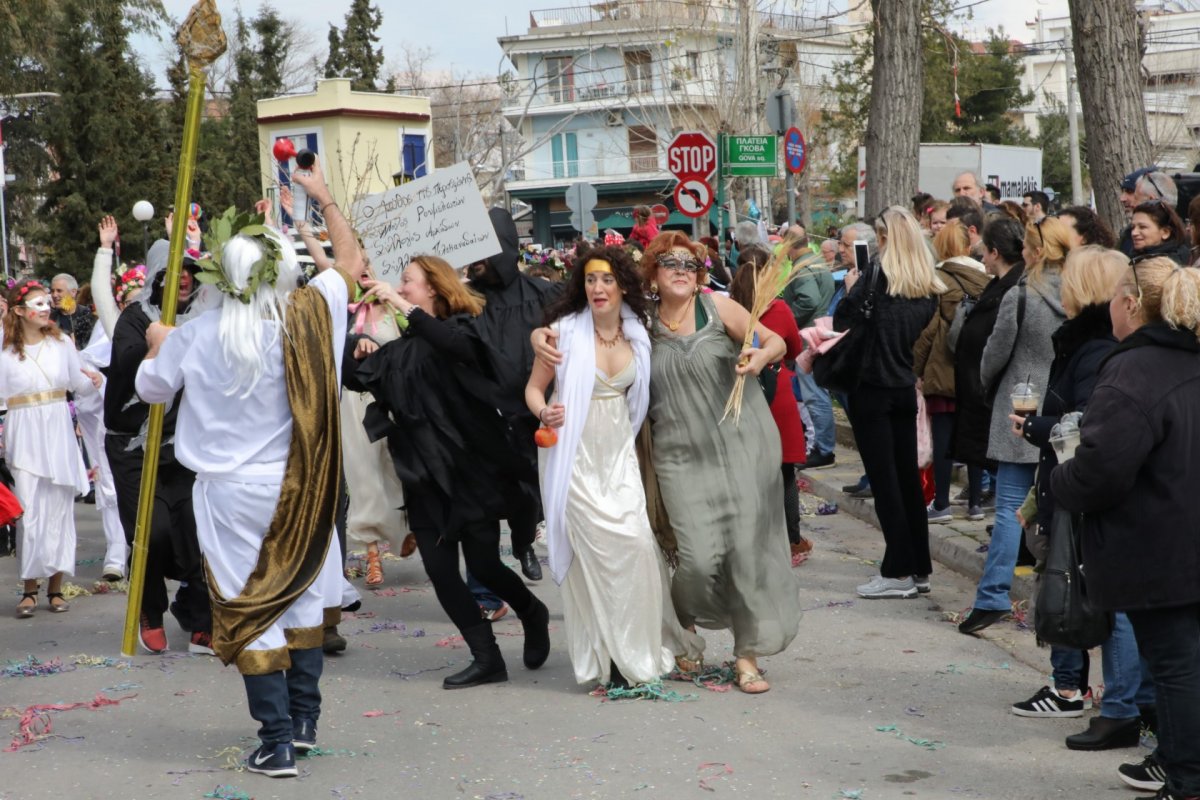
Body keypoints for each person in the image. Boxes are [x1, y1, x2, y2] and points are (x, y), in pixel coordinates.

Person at [135, 165, 357, 778]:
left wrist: (159, 339)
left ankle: (278, 740)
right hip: (299, 487)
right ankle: (304, 723)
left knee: (248, 605)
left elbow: (151, 390)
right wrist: (323, 199)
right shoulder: (310, 316)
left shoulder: (195, 334)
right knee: (303, 597)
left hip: (228, 494)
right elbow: (352, 263)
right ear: (284, 272)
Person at [533, 231, 800, 693]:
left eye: (691, 264)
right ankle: (684, 627)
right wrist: (541, 335)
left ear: (700, 275)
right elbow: (587, 322)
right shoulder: (642, 323)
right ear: (653, 273)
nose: (682, 269)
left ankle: (746, 656)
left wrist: (761, 356)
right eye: (671, 262)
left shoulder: (722, 308)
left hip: (743, 450)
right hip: (677, 456)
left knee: (745, 556)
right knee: (695, 559)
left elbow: (775, 340)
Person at [354, 254, 551, 690]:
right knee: (442, 573)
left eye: (408, 281)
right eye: (400, 283)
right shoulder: (401, 347)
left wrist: (404, 308)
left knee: (483, 564)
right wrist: (359, 342)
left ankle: (531, 611)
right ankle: (487, 658)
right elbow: (356, 378)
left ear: (434, 290)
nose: (400, 287)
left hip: (469, 472)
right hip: (424, 477)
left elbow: (456, 348)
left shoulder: (464, 329)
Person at [1051, 257, 1200, 798]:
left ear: (1131, 304)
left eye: (1115, 296)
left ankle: (1186, 780)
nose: (1108, 305)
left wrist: (1060, 482)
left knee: (1176, 667)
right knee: (1181, 665)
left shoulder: (1134, 369)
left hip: (1161, 545)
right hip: (1176, 535)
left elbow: (1103, 470)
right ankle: (1174, 763)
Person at [525, 244, 701, 688]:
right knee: (596, 558)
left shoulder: (639, 333)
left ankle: (637, 647)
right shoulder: (562, 332)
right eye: (589, 280)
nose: (598, 288)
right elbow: (532, 389)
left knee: (638, 546)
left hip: (619, 455)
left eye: (606, 279)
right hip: (574, 458)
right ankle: (612, 660)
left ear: (622, 285)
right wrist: (543, 412)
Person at [1005, 245, 1155, 751]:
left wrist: (1038, 427)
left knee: (1111, 604)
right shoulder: (1088, 343)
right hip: (1079, 485)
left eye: (1068, 279)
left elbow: (1093, 424)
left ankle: (1119, 707)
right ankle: (1117, 701)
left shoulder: (1097, 350)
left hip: (1093, 490)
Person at [959, 216, 1071, 635]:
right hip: (1063, 406)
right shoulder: (1082, 291)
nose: (1020, 251)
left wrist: (989, 385)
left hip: (1021, 407)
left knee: (1008, 505)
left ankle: (992, 597)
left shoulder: (1022, 295)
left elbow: (994, 353)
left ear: (1036, 251)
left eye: (1025, 245)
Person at [106, 241, 216, 655]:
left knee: (199, 531)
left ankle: (201, 616)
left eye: (190, 268)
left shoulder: (206, 318)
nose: (183, 277)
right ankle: (150, 609)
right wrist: (162, 341)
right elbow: (132, 366)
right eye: (173, 270)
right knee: (152, 533)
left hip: (185, 446)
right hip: (134, 448)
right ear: (155, 275)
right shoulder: (135, 319)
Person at [835, 207, 939, 599]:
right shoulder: (926, 283)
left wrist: (850, 288)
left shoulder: (876, 278)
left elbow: (845, 319)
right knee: (908, 480)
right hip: (902, 385)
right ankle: (919, 567)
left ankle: (897, 570)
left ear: (883, 238)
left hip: (872, 386)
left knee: (886, 481)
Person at [466, 208, 560, 583]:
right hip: (486, 416)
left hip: (533, 416)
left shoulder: (543, 294)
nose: (479, 262)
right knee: (490, 499)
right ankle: (487, 582)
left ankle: (522, 543)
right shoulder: (463, 299)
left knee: (530, 496)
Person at [4, 280, 101, 617]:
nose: (45, 308)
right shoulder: (4, 352)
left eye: (47, 302)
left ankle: (56, 589)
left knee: (59, 510)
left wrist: (93, 380)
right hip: (24, 431)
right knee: (29, 513)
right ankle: (30, 589)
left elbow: (78, 384)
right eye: (38, 303)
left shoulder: (61, 344)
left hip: (57, 428)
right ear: (19, 311)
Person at [732, 245, 812, 563]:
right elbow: (792, 348)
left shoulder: (727, 307)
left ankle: (753, 541)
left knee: (746, 472)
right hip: (776, 395)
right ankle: (791, 540)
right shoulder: (778, 309)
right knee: (784, 473)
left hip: (740, 394)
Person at [913, 220, 990, 524]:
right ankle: (974, 503)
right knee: (973, 435)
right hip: (977, 370)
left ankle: (942, 503)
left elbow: (928, 331)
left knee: (943, 436)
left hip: (943, 368)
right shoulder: (987, 278)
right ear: (969, 245)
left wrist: (915, 369)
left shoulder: (939, 279)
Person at [950, 217, 1025, 516]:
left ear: (995, 252)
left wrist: (984, 378)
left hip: (995, 395)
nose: (981, 258)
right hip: (980, 392)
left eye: (984, 252)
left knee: (1008, 492)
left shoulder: (1013, 289)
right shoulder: (998, 286)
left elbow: (999, 345)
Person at [781, 233, 836, 470]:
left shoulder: (803, 267)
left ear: (789, 246)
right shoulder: (816, 262)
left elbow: (809, 300)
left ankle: (823, 449)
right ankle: (823, 447)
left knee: (814, 395)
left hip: (809, 336)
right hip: (819, 332)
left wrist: (788, 321)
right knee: (817, 393)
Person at [1118, 168, 1176, 255]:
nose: (1122, 199)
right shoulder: (1127, 237)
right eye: (1134, 227)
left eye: (1143, 227)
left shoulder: (1178, 255)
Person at [1129, 200, 1190, 265]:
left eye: (1142, 227)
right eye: (1132, 227)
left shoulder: (1174, 266)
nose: (1134, 233)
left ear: (1165, 232)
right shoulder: (1134, 258)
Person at [49, 273, 93, 347]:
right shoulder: (50, 319)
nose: (54, 295)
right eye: (52, 291)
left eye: (59, 291)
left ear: (73, 292)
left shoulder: (88, 314)